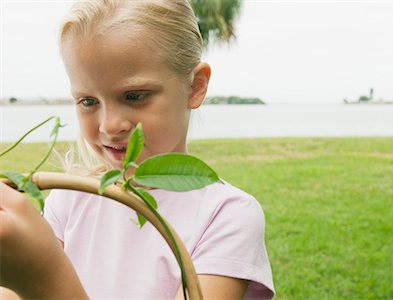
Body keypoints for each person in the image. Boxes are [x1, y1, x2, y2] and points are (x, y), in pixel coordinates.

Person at [0, 0, 275, 299]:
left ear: (194, 87)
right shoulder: (69, 199)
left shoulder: (226, 215)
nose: (109, 125)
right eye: (88, 101)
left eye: (134, 95)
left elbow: (39, 281)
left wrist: (44, 276)